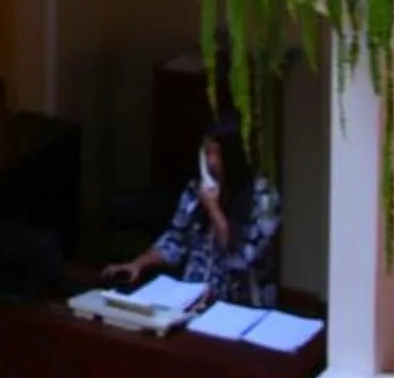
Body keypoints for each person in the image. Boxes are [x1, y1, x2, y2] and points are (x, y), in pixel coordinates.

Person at [101, 121, 281, 308]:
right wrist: (138, 263)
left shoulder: (264, 198)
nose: (210, 162)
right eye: (206, 153)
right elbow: (174, 241)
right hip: (191, 301)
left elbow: (242, 258)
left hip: (240, 306)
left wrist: (212, 207)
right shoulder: (195, 191)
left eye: (217, 154)